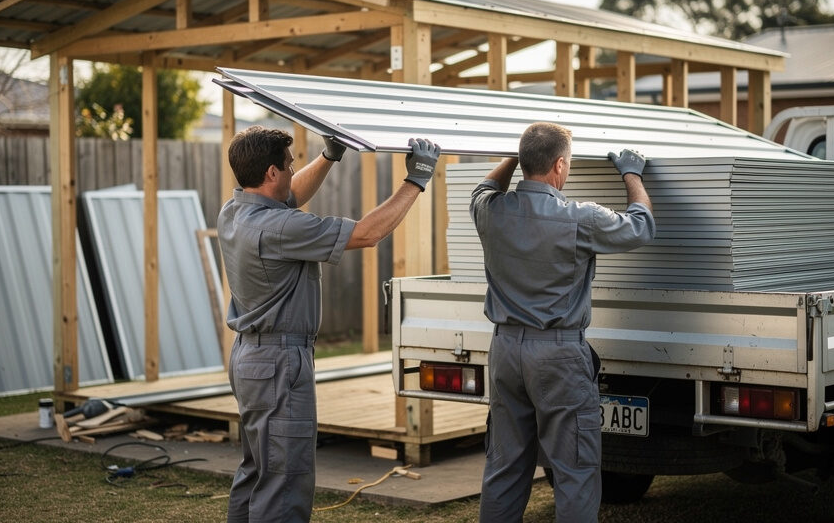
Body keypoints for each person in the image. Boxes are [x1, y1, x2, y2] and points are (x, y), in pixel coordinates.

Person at [217, 125, 441, 523]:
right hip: (279, 363)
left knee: (258, 471)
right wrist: (416, 180)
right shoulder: (279, 228)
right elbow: (368, 234)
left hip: (250, 358)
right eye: (288, 165)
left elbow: (290, 195)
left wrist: (330, 156)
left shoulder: (235, 211)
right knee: (285, 480)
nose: (291, 171)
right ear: (270, 173)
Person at [470, 121, 655, 523]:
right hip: (557, 356)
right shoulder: (580, 219)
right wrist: (631, 173)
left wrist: (511, 159)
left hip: (505, 351)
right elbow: (641, 226)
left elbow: (481, 190)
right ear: (558, 166)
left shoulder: (491, 212)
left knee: (505, 465)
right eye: (567, 164)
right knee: (574, 468)